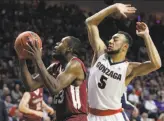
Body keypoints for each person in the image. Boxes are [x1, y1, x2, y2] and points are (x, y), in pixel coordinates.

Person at [85, 3, 161, 121]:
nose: (110, 41)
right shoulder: (101, 53)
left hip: (112, 117)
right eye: (111, 38)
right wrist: (114, 7)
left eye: (115, 39)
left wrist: (146, 36)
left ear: (125, 47)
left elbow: (156, 64)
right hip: (91, 115)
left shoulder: (129, 68)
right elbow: (90, 22)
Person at [15, 36, 88, 121]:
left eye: (61, 42)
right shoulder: (55, 67)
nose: (56, 44)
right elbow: (30, 86)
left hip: (76, 117)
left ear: (69, 49)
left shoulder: (76, 64)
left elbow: (55, 88)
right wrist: (22, 59)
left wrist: (38, 59)